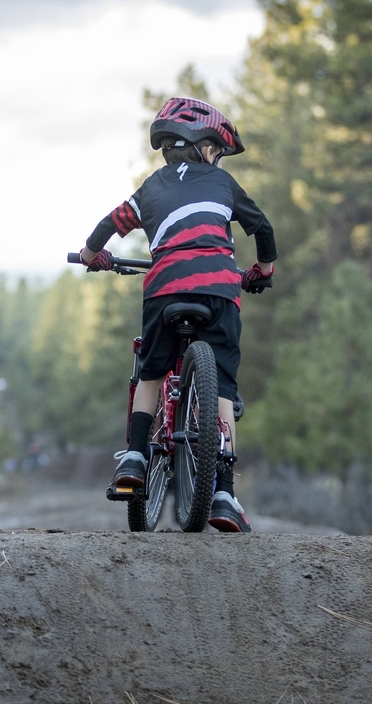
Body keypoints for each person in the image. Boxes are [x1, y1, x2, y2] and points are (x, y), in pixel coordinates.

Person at [79, 97, 277, 533]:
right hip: (221, 290)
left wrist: (91, 256)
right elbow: (261, 227)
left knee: (150, 373)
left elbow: (109, 223)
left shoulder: (151, 187)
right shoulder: (224, 185)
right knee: (222, 385)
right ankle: (224, 494)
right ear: (207, 148)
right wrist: (263, 269)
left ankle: (134, 456)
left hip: (164, 287)